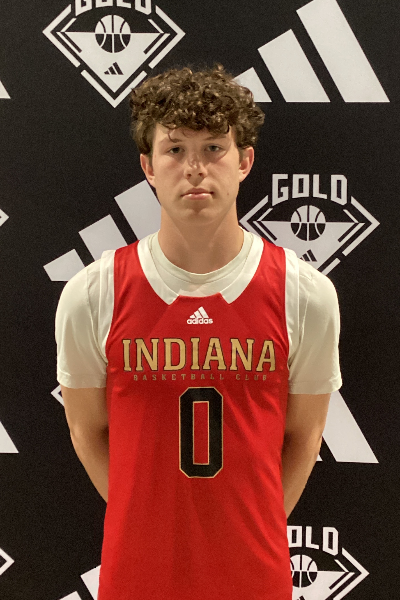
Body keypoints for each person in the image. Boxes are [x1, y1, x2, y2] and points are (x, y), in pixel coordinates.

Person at [55, 63, 342, 600]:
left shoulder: (304, 294)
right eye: (175, 149)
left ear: (244, 161)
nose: (194, 169)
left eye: (213, 148)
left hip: (254, 574)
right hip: (136, 573)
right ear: (148, 165)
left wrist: (248, 527)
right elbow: (87, 430)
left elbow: (304, 437)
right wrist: (143, 520)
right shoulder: (94, 293)